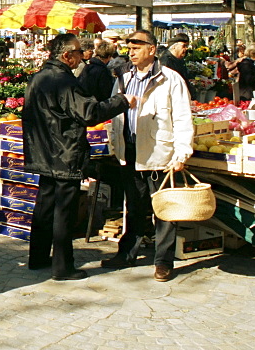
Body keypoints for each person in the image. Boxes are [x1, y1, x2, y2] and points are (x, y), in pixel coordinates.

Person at [23, 34, 133, 281]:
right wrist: (122, 101)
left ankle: (38, 257)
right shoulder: (63, 81)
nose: (82, 56)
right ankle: (63, 266)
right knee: (63, 210)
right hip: (64, 153)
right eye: (78, 52)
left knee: (45, 207)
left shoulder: (38, 78)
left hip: (44, 153)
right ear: (65, 55)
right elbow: (89, 113)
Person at [102, 29, 193, 283]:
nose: (131, 51)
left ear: (152, 50)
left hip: (158, 152)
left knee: (163, 209)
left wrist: (182, 152)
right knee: (133, 206)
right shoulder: (123, 77)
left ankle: (163, 261)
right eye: (129, 46)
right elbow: (114, 111)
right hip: (128, 149)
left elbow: (183, 118)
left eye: (137, 46)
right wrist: (113, 145)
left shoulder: (170, 79)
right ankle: (127, 253)